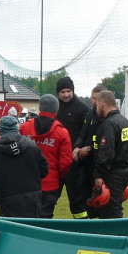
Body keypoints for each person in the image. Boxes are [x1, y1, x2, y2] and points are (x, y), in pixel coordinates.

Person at [20, 94, 73, 218]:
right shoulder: (62, 132)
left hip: (27, 182)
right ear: (56, 110)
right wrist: (59, 177)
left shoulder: (24, 128)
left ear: (39, 108)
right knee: (45, 219)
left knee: (27, 217)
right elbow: (65, 162)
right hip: (51, 183)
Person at [0, 115, 48, 217]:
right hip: (31, 197)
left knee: (11, 230)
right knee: (31, 230)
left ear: (0, 130)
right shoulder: (31, 146)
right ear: (17, 129)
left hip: (7, 198)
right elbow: (44, 170)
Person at [90, 90, 128, 219]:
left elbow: (107, 152)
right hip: (125, 170)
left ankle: (114, 237)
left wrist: (98, 174)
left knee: (111, 210)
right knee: (115, 206)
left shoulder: (109, 124)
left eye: (97, 105)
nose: (96, 109)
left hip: (112, 172)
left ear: (102, 105)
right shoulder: (126, 122)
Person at [54, 77, 90, 218]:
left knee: (77, 199)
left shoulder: (83, 109)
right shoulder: (54, 108)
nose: (66, 94)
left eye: (69, 91)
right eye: (63, 91)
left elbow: (86, 133)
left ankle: (83, 227)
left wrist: (79, 149)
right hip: (55, 161)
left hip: (75, 162)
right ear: (58, 93)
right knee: (49, 197)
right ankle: (42, 225)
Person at [72, 85, 106, 217]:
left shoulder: (108, 118)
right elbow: (83, 133)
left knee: (101, 196)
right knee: (85, 193)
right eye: (92, 98)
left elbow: (105, 142)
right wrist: (77, 146)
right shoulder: (90, 113)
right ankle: (90, 219)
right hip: (87, 163)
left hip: (99, 161)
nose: (93, 101)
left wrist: (90, 149)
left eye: (96, 99)